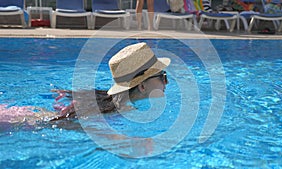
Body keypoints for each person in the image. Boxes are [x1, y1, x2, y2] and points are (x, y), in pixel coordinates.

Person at [0, 42, 171, 125]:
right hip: (22, 124)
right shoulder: (119, 112)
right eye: (162, 76)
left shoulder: (109, 101)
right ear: (142, 86)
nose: (167, 82)